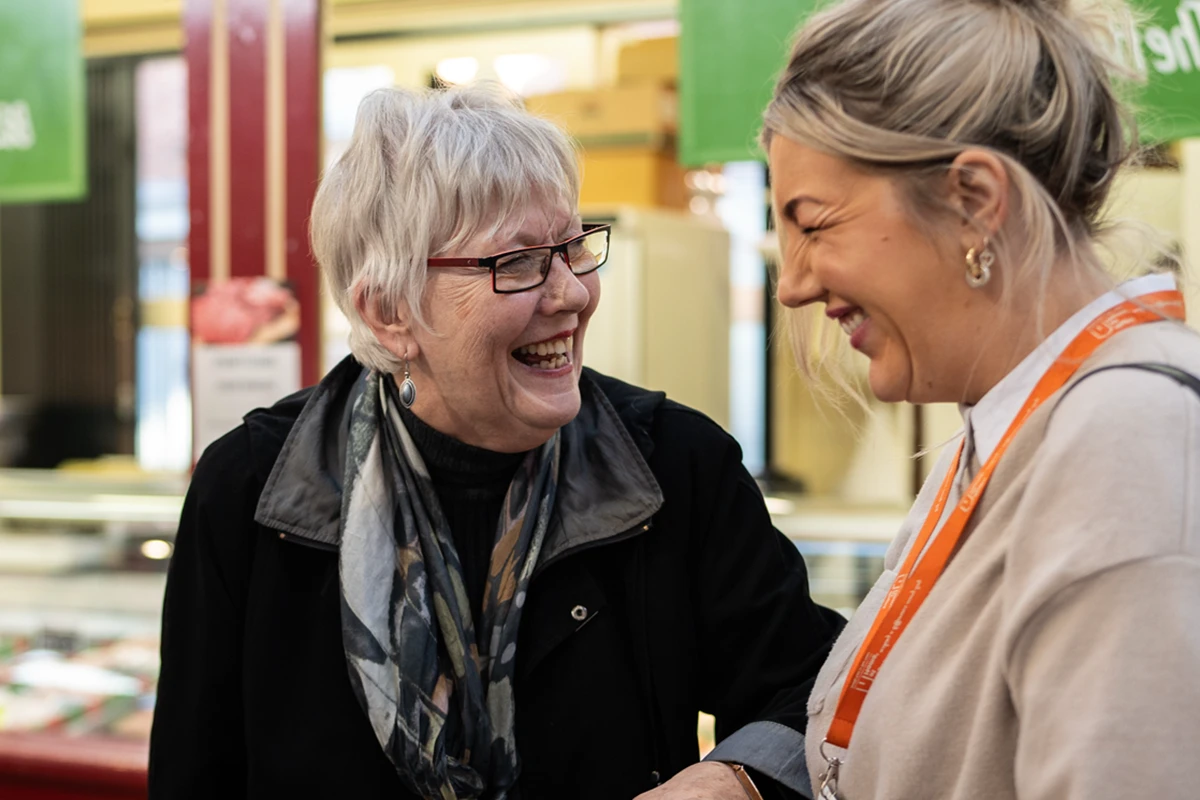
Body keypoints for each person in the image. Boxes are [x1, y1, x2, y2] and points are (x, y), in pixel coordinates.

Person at [148, 83, 844, 800]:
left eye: (573, 247)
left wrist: (734, 779)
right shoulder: (254, 488)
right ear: (389, 312)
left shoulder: (674, 465)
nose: (572, 293)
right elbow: (194, 774)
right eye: (516, 263)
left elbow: (814, 689)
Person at [762, 0, 1200, 798]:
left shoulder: (1126, 437)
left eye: (815, 225)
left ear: (973, 200)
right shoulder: (1014, 425)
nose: (791, 285)